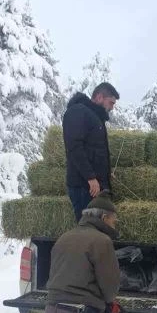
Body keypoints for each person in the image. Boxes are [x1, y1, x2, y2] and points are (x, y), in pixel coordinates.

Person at [62, 82, 120, 221]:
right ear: (100, 97)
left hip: (93, 187)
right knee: (88, 228)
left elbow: (94, 151)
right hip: (84, 187)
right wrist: (90, 177)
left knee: (98, 228)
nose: (112, 107)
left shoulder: (95, 117)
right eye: (111, 102)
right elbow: (74, 146)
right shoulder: (78, 111)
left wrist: (105, 174)